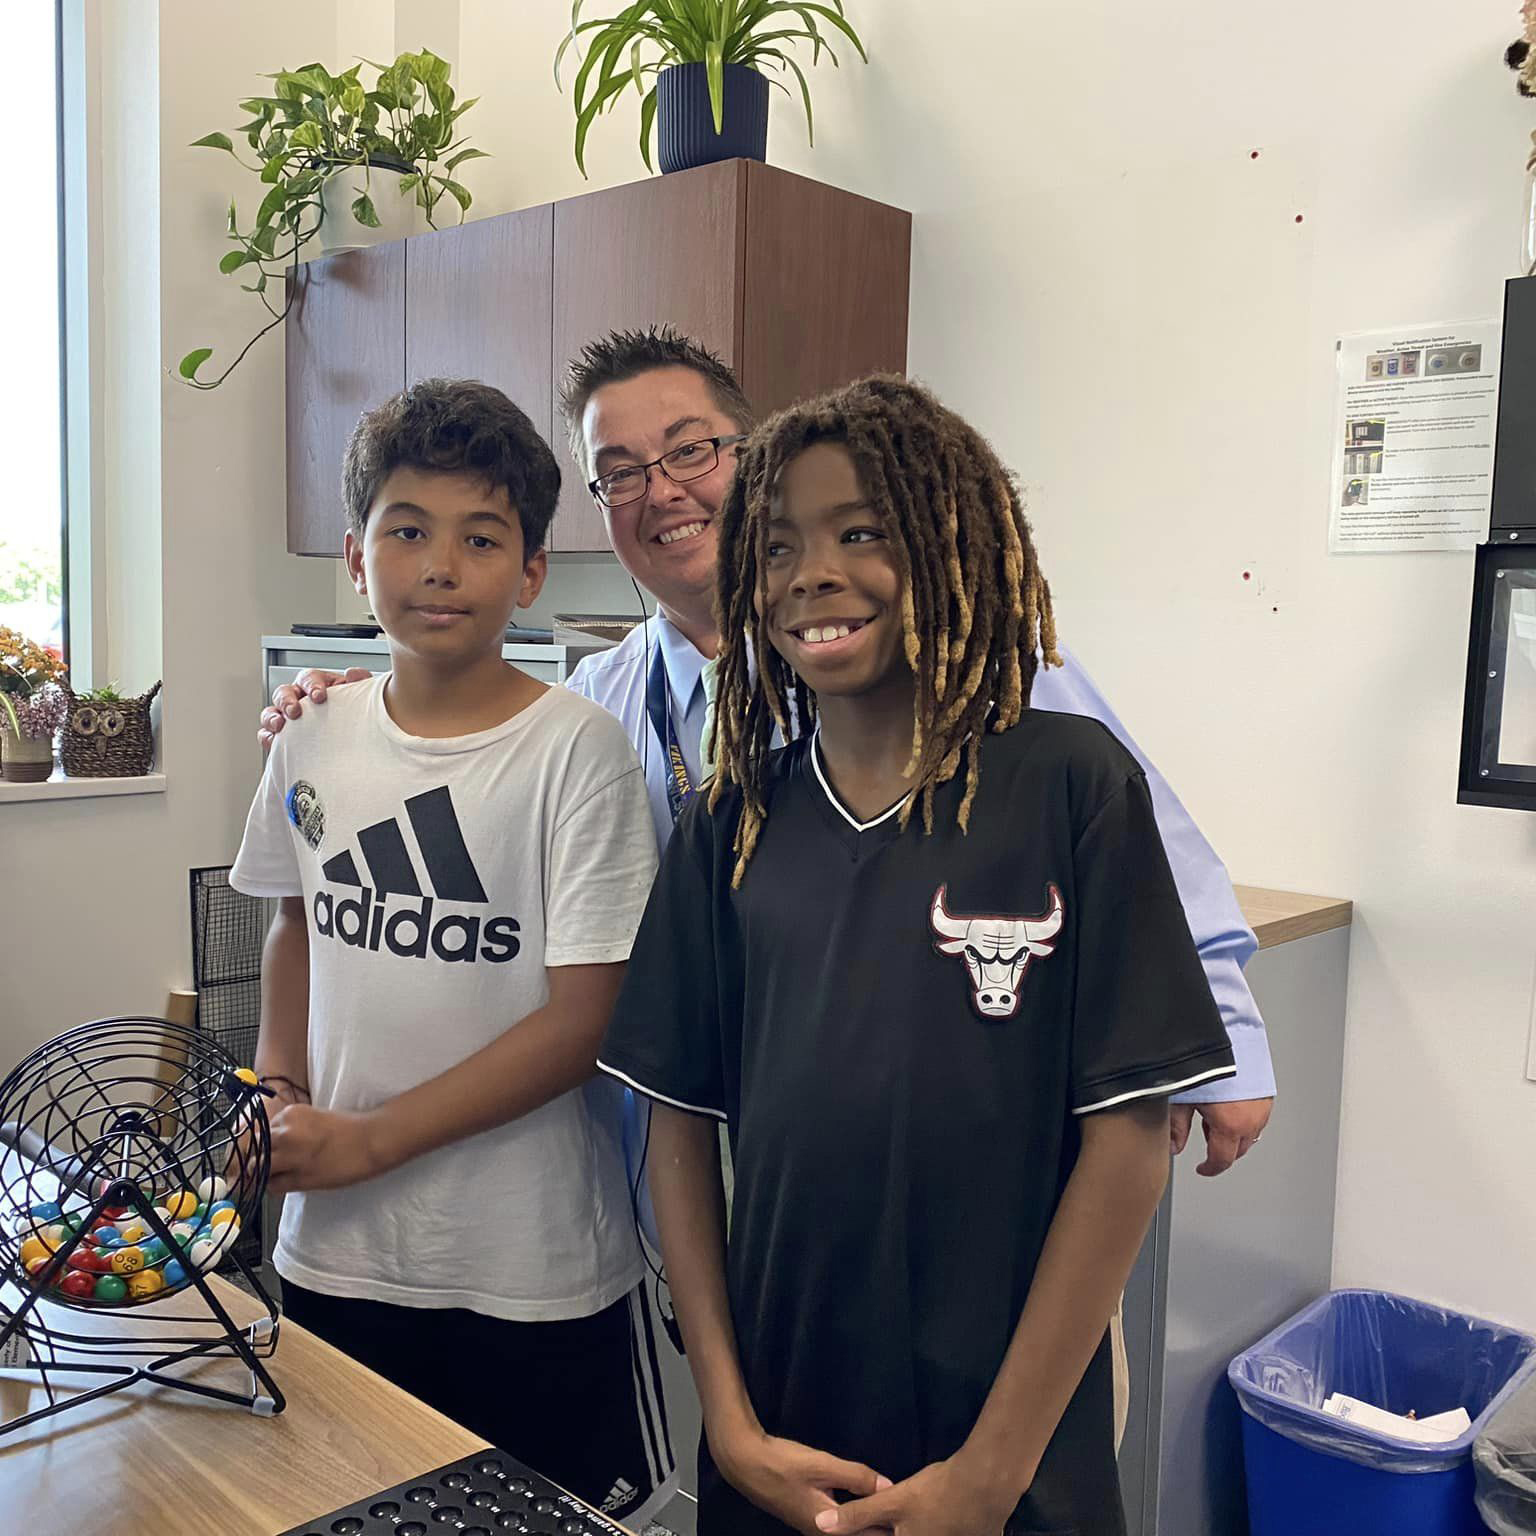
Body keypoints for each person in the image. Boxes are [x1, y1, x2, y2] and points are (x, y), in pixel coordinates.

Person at [261, 329, 1273, 1177]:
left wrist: (1228, 1043)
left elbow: (1142, 845)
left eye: (691, 451)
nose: (661, 492)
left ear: (754, 453)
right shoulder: (597, 705)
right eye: (618, 473)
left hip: (937, 1145)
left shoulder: (943, 654)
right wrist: (354, 701)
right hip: (689, 1154)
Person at [597, 375, 1237, 1536]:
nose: (813, 574)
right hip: (783, 1429)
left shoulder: (1070, 785)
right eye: (779, 545)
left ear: (952, 545)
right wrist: (729, 1427)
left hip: (1010, 1442)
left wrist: (991, 1476)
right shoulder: (731, 822)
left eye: (862, 533)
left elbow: (1131, 1143)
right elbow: (678, 1127)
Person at [230, 379, 673, 1526]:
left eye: (483, 539)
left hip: (528, 1271)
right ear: (355, 555)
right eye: (408, 531)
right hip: (334, 1253)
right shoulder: (313, 731)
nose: (441, 566)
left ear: (529, 573)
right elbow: (295, 925)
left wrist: (369, 1140)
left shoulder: (579, 748)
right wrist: (280, 1089)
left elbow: (584, 1023)